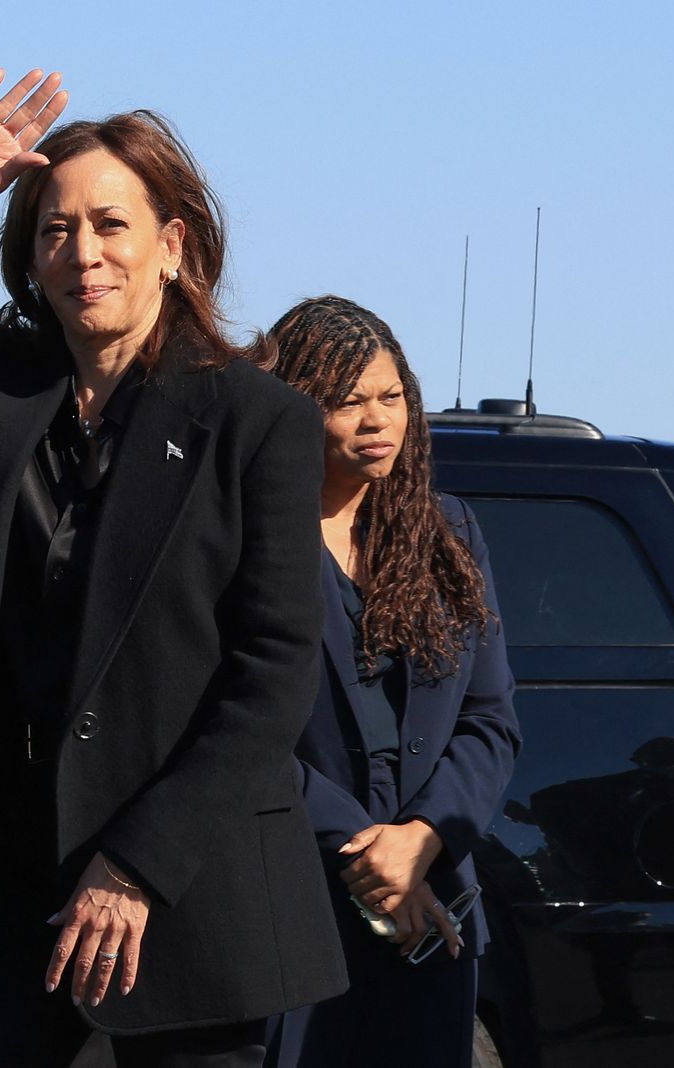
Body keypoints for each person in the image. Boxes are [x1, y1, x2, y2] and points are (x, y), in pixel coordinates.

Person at [0, 70, 345, 1066]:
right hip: (4, 887)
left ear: (171, 243)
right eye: (55, 231)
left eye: (110, 225)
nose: (84, 254)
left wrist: (138, 866)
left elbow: (272, 676)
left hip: (185, 895)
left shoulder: (256, 420)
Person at [260, 296, 520, 1068]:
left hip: (433, 909)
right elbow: (235, 727)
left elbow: (491, 720)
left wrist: (422, 839)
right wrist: (365, 855)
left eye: (390, 396)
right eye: (346, 401)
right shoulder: (246, 536)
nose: (376, 420)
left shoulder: (448, 533)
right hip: (294, 906)